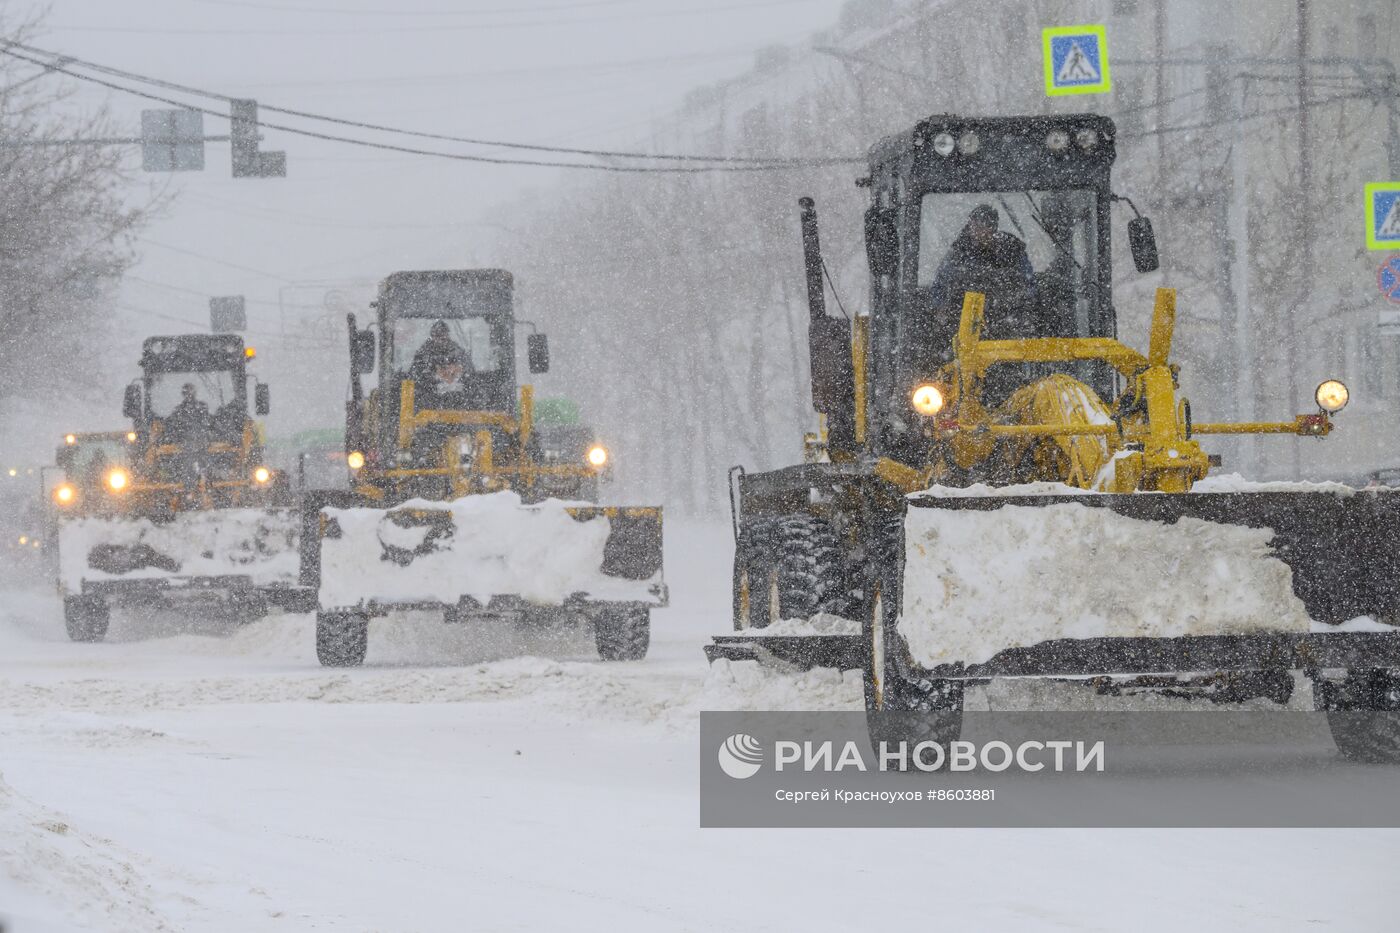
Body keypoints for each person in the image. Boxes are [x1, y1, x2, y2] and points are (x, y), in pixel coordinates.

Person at [927, 204, 1038, 340]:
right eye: (976, 226)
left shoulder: (1012, 251)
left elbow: (1029, 284)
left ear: (994, 228)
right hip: (967, 322)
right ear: (970, 226)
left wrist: (1023, 308)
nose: (980, 232)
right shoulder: (958, 254)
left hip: (1009, 320)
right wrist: (941, 308)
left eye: (985, 226)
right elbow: (940, 285)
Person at [410, 320, 472, 392]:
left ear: (447, 335)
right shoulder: (422, 355)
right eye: (437, 335)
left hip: (458, 398)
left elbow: (469, 374)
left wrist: (455, 375)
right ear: (432, 336)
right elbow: (414, 377)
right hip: (427, 397)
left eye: (443, 334)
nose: (441, 338)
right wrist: (435, 377)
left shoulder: (459, 353)